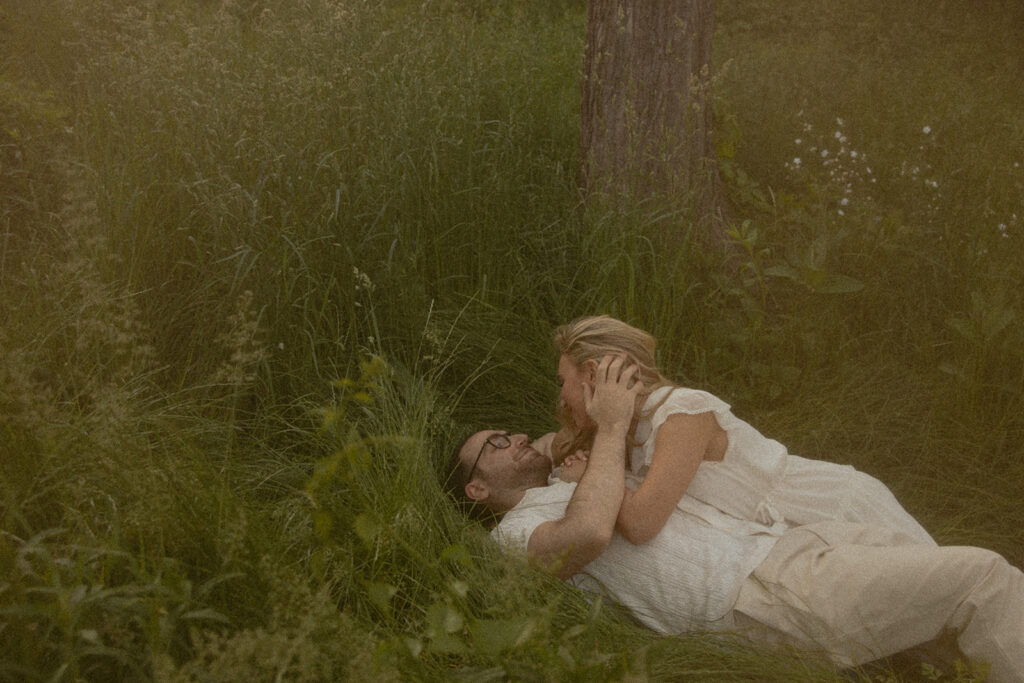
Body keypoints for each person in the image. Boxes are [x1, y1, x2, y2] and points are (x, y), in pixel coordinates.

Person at [450, 355, 1024, 681]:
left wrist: (591, 434)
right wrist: (615, 424)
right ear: (477, 486)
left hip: (787, 541)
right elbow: (591, 532)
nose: (517, 437)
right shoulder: (515, 533)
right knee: (985, 582)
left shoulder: (566, 474)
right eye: (497, 442)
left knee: (951, 633)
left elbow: (560, 438)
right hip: (757, 594)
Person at [549, 315, 935, 546]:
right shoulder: (625, 433)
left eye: (563, 381)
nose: (562, 396)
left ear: (594, 375)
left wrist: (590, 476)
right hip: (789, 539)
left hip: (831, 507)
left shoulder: (680, 413)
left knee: (950, 614)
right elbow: (551, 446)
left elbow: (642, 524)